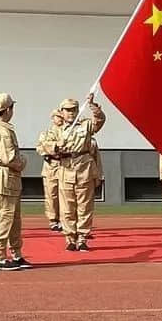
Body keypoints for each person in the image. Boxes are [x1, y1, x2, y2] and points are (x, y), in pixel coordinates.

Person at [57, 95, 105, 252]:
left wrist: (92, 105)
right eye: (68, 110)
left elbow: (100, 121)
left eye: (74, 110)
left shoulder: (85, 126)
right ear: (62, 112)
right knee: (67, 208)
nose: (71, 113)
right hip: (65, 168)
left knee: (84, 206)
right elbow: (43, 145)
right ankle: (70, 238)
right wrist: (55, 147)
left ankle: (83, 238)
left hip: (83, 168)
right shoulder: (57, 129)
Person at [0, 93, 30, 271]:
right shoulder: (2, 130)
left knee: (14, 219)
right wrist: (23, 161)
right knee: (5, 217)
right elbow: (9, 157)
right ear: (7, 110)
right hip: (5, 175)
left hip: (9, 178)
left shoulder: (2, 127)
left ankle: (16, 253)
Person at [35, 110, 65, 232]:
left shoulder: (67, 131)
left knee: (64, 195)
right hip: (50, 166)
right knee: (51, 195)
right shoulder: (46, 133)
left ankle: (64, 219)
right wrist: (49, 150)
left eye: (61, 117)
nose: (60, 119)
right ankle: (53, 220)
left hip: (64, 164)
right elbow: (40, 147)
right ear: (52, 118)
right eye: (57, 117)